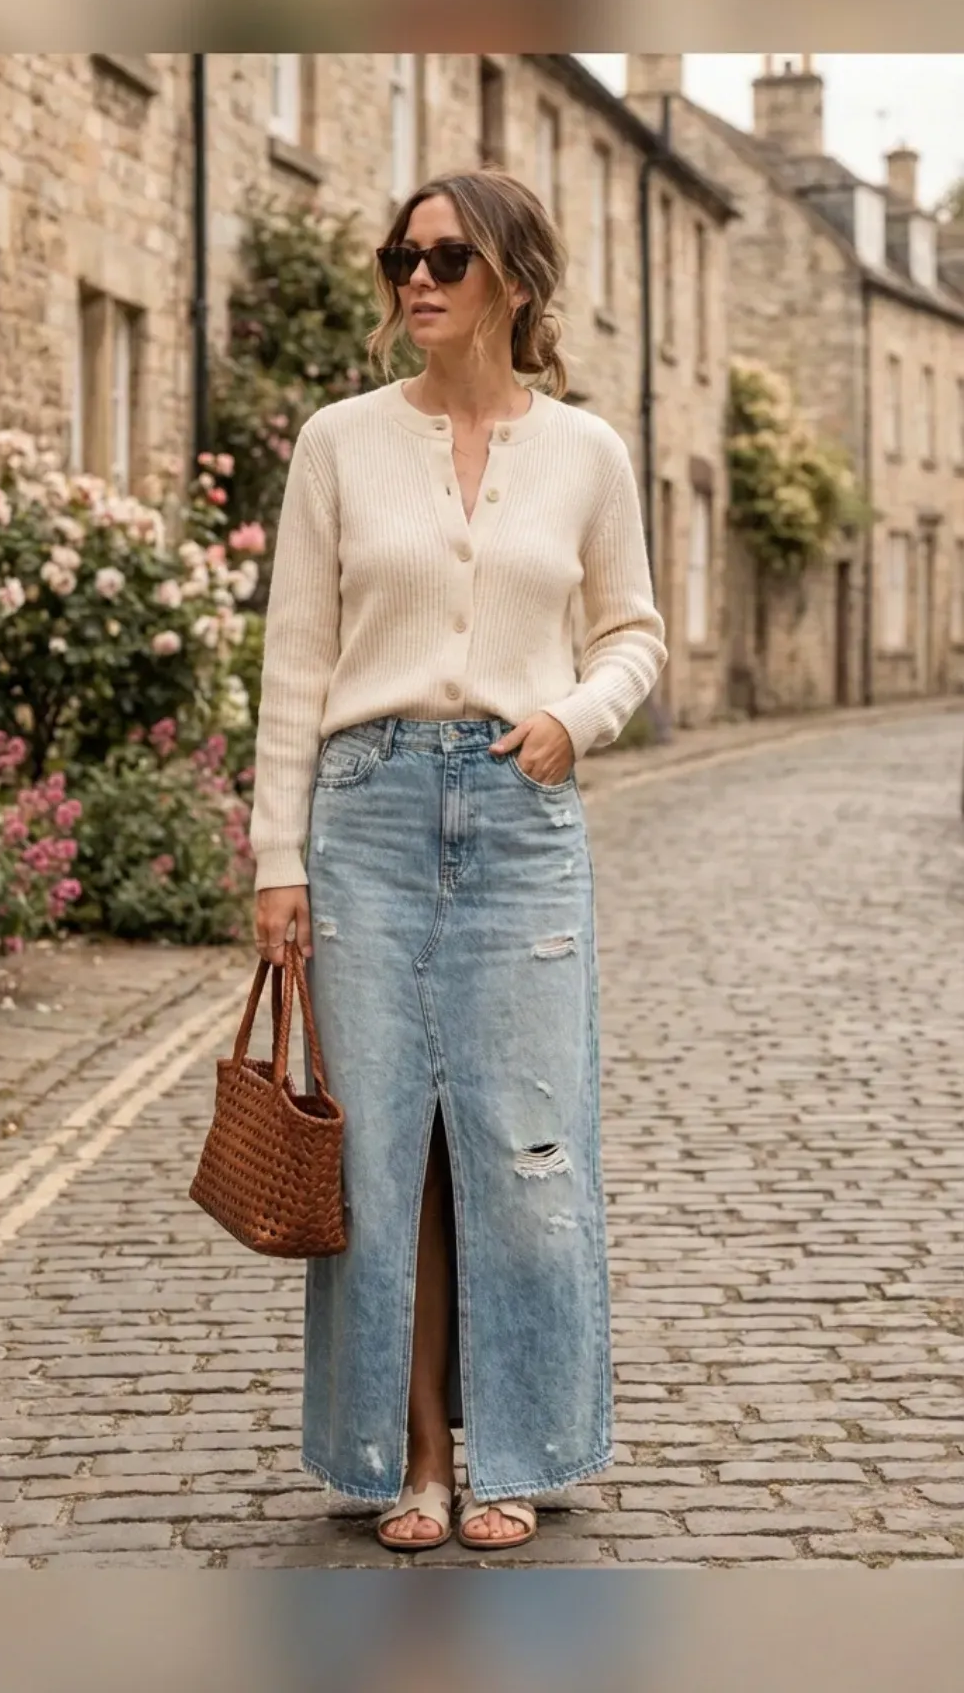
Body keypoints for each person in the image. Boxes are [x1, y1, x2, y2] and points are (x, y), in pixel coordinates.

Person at [249, 168, 666, 1552]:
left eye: (446, 259)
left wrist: (576, 716)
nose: (414, 280)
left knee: (524, 1155)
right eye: (399, 258)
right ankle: (413, 1458)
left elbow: (634, 635)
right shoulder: (338, 442)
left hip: (518, 816)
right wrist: (276, 861)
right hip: (364, 817)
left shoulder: (589, 455)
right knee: (386, 1168)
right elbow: (295, 661)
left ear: (515, 284)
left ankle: (523, 1456)